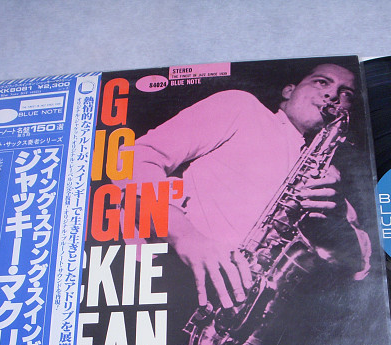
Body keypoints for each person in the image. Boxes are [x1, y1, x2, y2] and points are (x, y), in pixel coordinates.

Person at [119, 63, 372, 310]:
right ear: (289, 90)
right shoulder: (242, 107)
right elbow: (133, 159)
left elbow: (360, 266)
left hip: (241, 308)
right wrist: (183, 235)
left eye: (346, 94)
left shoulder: (326, 176)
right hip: (173, 281)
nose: (332, 95)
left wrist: (338, 215)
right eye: (322, 82)